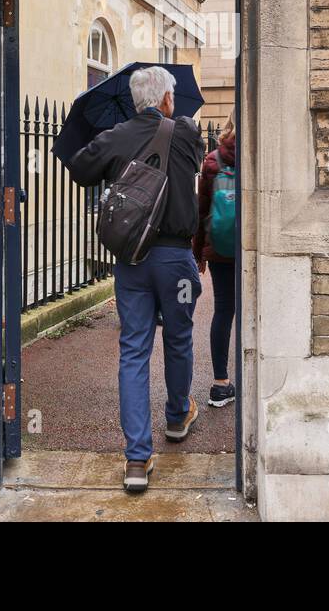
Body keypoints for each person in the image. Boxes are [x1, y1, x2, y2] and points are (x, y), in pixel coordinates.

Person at [67, 65, 203, 493]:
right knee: (179, 338)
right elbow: (198, 159)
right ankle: (178, 415)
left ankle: (137, 459)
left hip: (132, 260)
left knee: (133, 351)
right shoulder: (184, 132)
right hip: (176, 259)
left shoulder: (115, 136)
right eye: (172, 96)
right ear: (165, 99)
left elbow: (80, 171)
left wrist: (113, 151)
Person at [192, 113, 237, 408]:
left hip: (221, 249)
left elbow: (201, 211)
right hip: (254, 248)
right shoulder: (260, 152)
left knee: (223, 311)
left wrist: (199, 254)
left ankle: (220, 384)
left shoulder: (212, 161)